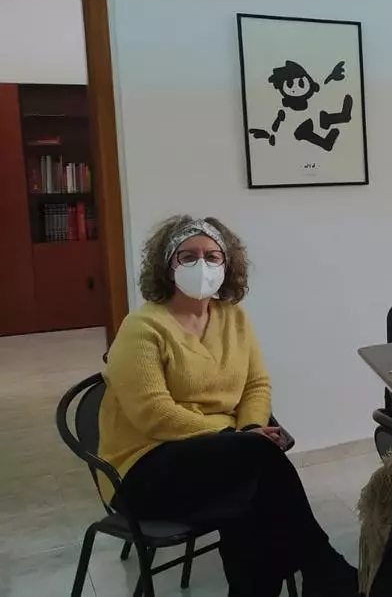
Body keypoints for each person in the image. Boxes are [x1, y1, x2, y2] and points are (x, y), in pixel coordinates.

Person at [98, 215, 357, 596]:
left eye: (212, 256)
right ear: (167, 265)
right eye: (188, 256)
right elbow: (154, 415)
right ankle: (326, 570)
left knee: (254, 500)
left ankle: (320, 575)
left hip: (223, 456)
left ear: (227, 264)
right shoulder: (142, 327)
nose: (201, 265)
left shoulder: (233, 318)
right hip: (145, 468)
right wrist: (236, 437)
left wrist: (249, 429)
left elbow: (256, 385)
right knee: (258, 470)